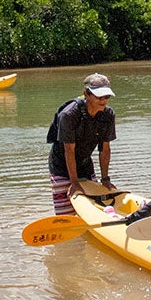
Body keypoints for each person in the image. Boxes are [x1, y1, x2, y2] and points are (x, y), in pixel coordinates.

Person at [46, 72, 118, 215]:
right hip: (61, 165)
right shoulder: (69, 115)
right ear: (86, 94)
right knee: (65, 211)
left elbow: (105, 149)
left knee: (94, 208)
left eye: (106, 97)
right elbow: (69, 150)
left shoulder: (108, 115)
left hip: (85, 164)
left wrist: (105, 179)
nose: (103, 100)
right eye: (99, 96)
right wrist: (74, 182)